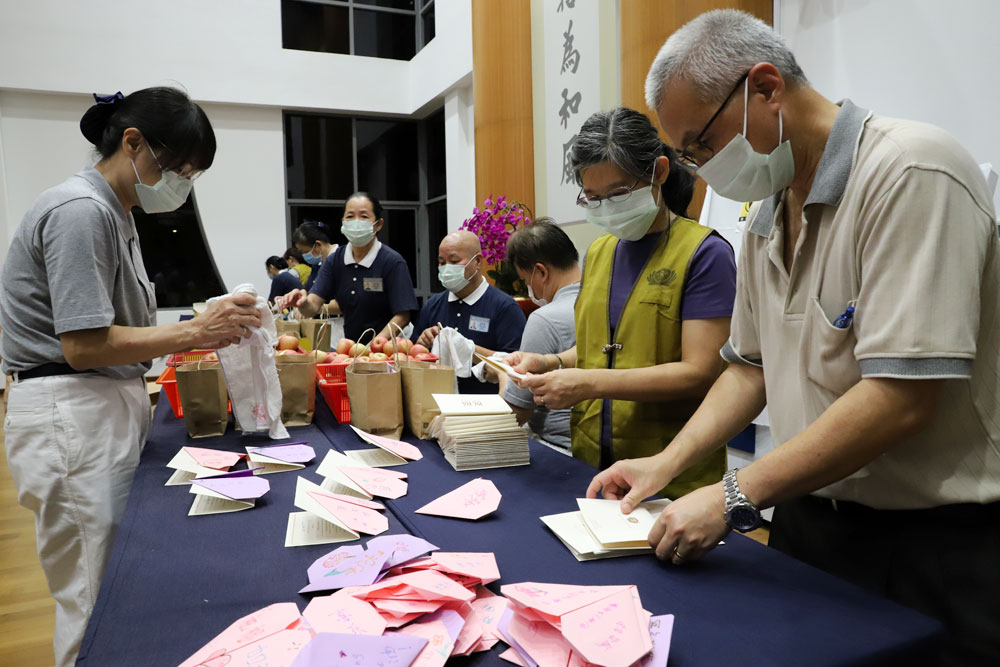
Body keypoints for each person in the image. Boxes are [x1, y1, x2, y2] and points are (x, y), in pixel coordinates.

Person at [587, 10, 1000, 665]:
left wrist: (731, 495)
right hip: (811, 517)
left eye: (702, 144)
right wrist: (664, 466)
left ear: (767, 87)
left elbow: (901, 395)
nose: (703, 169)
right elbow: (747, 369)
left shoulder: (911, 170)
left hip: (930, 539)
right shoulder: (765, 216)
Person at [0, 87, 261, 667]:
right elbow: (83, 343)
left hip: (97, 404)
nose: (182, 183)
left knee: (110, 583)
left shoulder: (117, 214)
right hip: (73, 410)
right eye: (178, 168)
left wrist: (201, 328)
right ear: (133, 142)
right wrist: (195, 332)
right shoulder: (80, 211)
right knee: (95, 599)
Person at [511, 107, 736, 498]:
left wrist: (589, 383)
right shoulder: (599, 252)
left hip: (670, 476)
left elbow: (700, 371)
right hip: (590, 466)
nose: (606, 207)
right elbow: (603, 350)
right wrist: (550, 363)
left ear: (659, 173)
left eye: (617, 194)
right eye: (593, 198)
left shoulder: (704, 253)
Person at [280, 193, 417, 341]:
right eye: (350, 216)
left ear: (378, 224)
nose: (356, 222)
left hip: (390, 347)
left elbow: (403, 315)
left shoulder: (391, 261)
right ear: (343, 222)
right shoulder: (335, 260)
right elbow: (313, 305)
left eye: (364, 216)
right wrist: (302, 302)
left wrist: (377, 343)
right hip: (353, 347)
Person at [496, 219, 581, 451]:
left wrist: (504, 374)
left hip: (557, 447)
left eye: (525, 281)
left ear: (541, 272)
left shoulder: (545, 319)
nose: (528, 288)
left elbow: (515, 413)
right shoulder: (606, 303)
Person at [412, 230, 527, 394]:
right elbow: (412, 358)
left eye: (454, 261)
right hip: (438, 404)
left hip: (487, 407)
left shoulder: (504, 307)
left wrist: (468, 350)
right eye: (441, 263)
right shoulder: (433, 305)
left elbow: (516, 365)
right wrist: (423, 344)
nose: (446, 269)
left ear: (478, 261)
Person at [289, 221, 336, 291]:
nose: (303, 255)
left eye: (304, 252)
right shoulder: (317, 265)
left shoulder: (340, 261)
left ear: (318, 245)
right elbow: (308, 290)